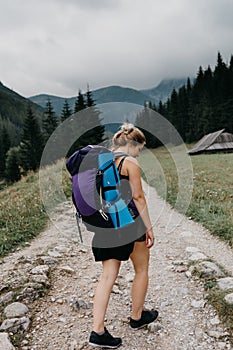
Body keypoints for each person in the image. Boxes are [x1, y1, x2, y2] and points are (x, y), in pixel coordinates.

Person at [88, 123, 158, 349]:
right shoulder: (130, 162)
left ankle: (97, 331)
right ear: (131, 143)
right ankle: (137, 318)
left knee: (107, 277)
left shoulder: (102, 161)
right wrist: (149, 227)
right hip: (129, 224)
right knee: (142, 269)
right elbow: (138, 198)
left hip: (106, 225)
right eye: (140, 148)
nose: (139, 153)